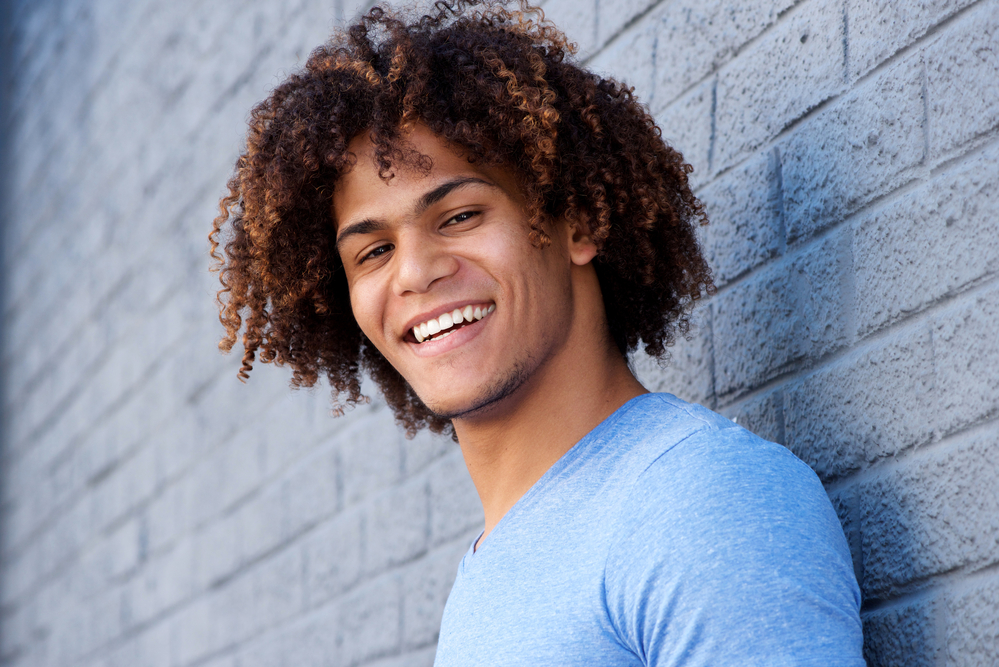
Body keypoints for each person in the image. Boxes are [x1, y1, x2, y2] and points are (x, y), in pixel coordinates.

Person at [209, 1, 865, 663]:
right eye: (371, 252)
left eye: (460, 214)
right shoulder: (492, 566)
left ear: (576, 223)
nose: (414, 272)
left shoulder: (697, 500)